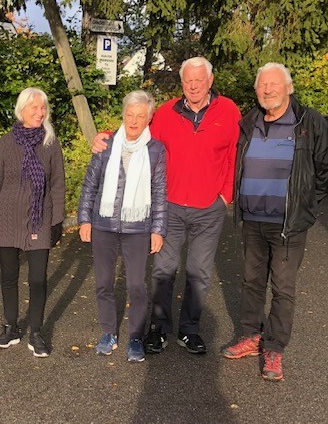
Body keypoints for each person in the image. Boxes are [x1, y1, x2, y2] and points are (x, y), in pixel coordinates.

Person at [93, 56, 241, 355]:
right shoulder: (166, 111)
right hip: (170, 205)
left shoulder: (229, 111)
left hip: (208, 208)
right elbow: (137, 131)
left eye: (199, 80)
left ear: (210, 81)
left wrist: (225, 195)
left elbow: (234, 155)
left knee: (199, 271)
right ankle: (159, 328)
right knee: (164, 269)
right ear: (182, 83)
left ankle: (189, 330)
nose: (194, 86)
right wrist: (107, 136)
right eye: (188, 81)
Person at [221, 63, 328, 381]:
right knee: (251, 282)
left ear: (288, 87)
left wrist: (307, 208)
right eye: (262, 85)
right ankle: (251, 336)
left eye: (274, 84)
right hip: (252, 219)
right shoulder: (249, 121)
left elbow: (324, 168)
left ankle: (274, 348)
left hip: (287, 224)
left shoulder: (309, 122)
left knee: (283, 287)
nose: (267, 90)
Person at [78, 90, 167, 363]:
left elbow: (159, 191)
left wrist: (158, 229)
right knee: (104, 283)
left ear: (149, 118)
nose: (134, 120)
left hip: (138, 228)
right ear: (123, 114)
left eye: (140, 116)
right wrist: (84, 219)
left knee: (136, 286)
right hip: (103, 225)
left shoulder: (156, 150)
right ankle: (108, 333)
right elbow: (90, 185)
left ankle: (136, 337)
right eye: (130, 114)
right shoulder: (106, 145)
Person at [0, 87, 66, 358]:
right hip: (7, 218)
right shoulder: (5, 144)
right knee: (9, 277)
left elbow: (57, 185)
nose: (40, 113)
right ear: (22, 110)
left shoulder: (51, 144)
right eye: (34, 108)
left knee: (38, 279)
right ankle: (11, 327)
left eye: (43, 108)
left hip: (39, 218)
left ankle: (36, 332)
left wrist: (57, 221)